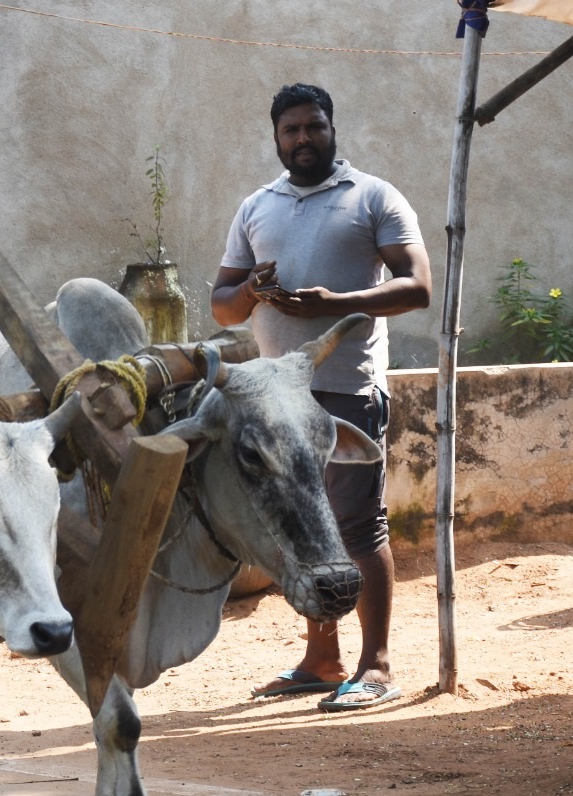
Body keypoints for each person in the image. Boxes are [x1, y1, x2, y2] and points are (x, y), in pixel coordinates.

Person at [210, 83, 432, 712]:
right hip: (278, 400)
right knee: (305, 529)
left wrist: (338, 304)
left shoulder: (373, 196)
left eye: (314, 127)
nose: (303, 138)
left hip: (348, 389)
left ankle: (377, 665)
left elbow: (418, 286)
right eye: (292, 130)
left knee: (358, 524)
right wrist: (251, 290)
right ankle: (322, 661)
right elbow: (223, 305)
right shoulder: (257, 207)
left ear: (333, 130)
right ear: (276, 138)